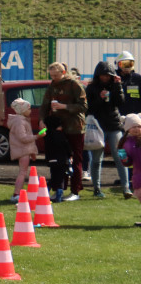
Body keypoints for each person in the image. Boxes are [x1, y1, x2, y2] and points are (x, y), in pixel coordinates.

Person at [39, 61, 87, 201]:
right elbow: (44, 105)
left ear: (63, 73)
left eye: (56, 75)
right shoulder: (52, 85)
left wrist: (64, 106)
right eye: (51, 75)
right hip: (58, 127)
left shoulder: (74, 84)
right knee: (60, 160)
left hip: (75, 127)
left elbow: (83, 106)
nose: (53, 78)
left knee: (76, 159)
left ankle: (75, 191)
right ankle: (59, 188)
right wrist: (41, 120)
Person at [85, 60, 131, 199]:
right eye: (102, 75)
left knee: (120, 156)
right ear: (98, 75)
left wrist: (118, 86)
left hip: (114, 125)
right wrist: (100, 98)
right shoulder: (92, 87)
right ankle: (97, 188)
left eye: (108, 75)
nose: (105, 77)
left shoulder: (115, 85)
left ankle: (126, 188)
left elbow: (120, 102)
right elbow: (89, 107)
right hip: (97, 126)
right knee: (97, 159)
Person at [7, 98, 39, 203]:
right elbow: (23, 138)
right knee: (22, 172)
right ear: (22, 110)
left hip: (24, 150)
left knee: (23, 171)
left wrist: (32, 152)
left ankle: (17, 192)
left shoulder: (21, 120)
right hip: (22, 151)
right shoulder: (20, 121)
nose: (30, 111)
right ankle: (16, 193)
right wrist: (37, 136)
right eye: (28, 109)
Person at [119, 113, 141, 225]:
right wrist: (124, 158)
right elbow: (127, 163)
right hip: (138, 174)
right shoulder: (124, 143)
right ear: (128, 129)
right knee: (138, 194)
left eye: (139, 126)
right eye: (134, 127)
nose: (137, 129)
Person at [43, 114, 71, 203]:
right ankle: (58, 197)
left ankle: (45, 192)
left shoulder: (47, 135)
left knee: (53, 177)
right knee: (60, 179)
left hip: (51, 160)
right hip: (61, 160)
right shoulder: (61, 136)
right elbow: (67, 147)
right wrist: (70, 155)